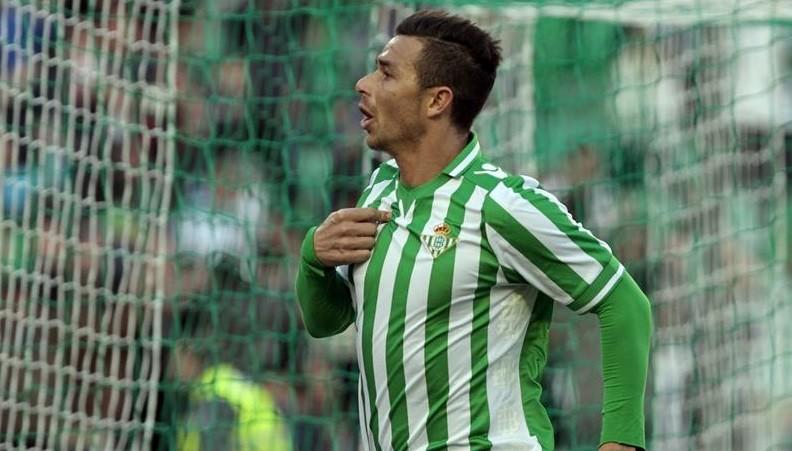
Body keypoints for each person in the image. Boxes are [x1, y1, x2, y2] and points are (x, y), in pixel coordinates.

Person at [295, 9, 652, 451]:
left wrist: (621, 441)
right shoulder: (380, 190)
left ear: (436, 101)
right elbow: (327, 321)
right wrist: (314, 260)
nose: (363, 84)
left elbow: (625, 302)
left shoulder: (500, 205)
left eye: (386, 73)